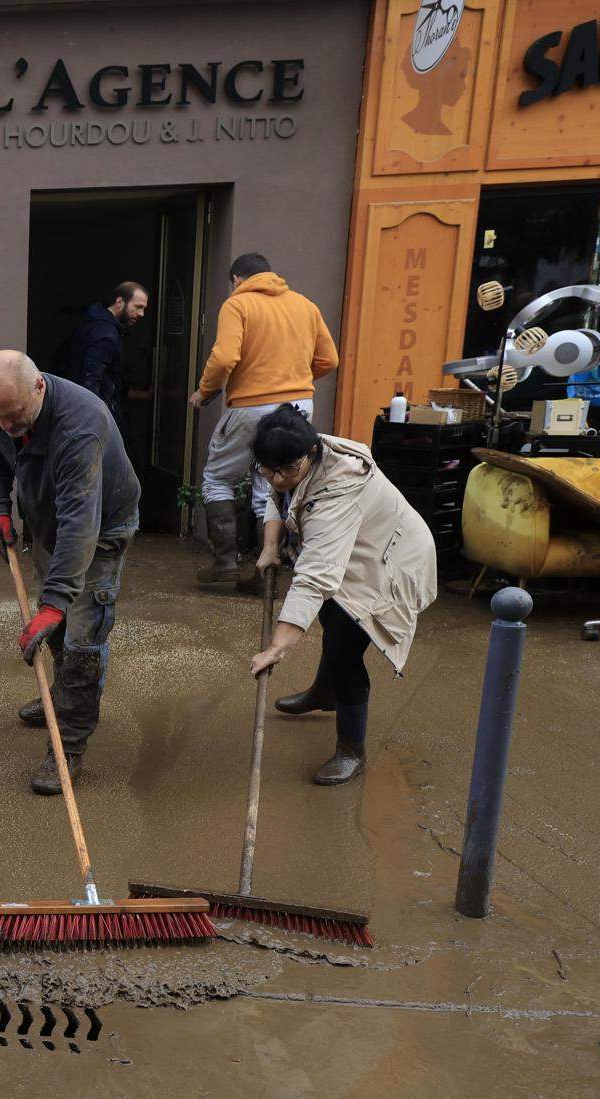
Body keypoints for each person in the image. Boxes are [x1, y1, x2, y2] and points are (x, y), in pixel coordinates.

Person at [0, 350, 141, 795]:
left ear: (39, 388)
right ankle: (60, 698)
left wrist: (53, 603)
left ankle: (67, 745)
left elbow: (80, 525)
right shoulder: (3, 408)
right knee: (60, 625)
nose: (6, 427)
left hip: (101, 529)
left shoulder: (79, 427)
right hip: (51, 524)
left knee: (82, 635)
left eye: (12, 417)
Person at [248, 407, 437, 785]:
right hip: (351, 553)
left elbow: (313, 579)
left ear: (312, 451)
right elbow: (278, 495)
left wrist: (277, 647)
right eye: (269, 469)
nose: (279, 477)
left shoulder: (338, 490)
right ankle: (324, 691)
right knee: (332, 619)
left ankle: (351, 750)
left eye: (288, 470)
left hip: (387, 563)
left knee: (345, 648)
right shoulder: (289, 460)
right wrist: (270, 544)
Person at [187, 253, 339, 588]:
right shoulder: (305, 305)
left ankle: (225, 564)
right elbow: (329, 359)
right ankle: (265, 575)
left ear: (237, 280)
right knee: (270, 483)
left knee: (217, 479)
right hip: (298, 407)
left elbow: (225, 356)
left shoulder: (238, 304)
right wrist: (294, 379)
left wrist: (204, 391)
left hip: (252, 406)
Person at [58, 281, 147, 426]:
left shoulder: (93, 322)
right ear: (119, 302)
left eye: (143, 309)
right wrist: (96, 422)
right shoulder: (106, 335)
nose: (141, 314)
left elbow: (108, 379)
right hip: (92, 418)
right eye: (138, 307)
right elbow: (91, 380)